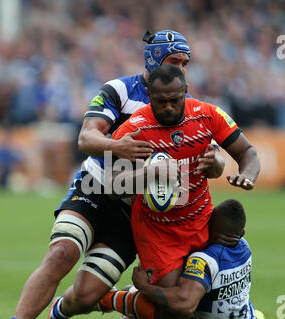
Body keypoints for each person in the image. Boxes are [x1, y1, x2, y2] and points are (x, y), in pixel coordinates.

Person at [0, 30, 225, 319]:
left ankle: (58, 312)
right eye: (175, 61)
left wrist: (216, 164)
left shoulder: (181, 102)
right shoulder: (118, 90)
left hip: (133, 210)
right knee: (62, 253)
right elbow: (86, 138)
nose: (182, 69)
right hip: (95, 187)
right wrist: (118, 145)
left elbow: (204, 152)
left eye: (185, 63)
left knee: (87, 296)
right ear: (153, 58)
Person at [110, 64, 260, 286]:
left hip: (201, 223)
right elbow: (113, 186)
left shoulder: (207, 115)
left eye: (175, 100)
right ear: (149, 95)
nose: (169, 107)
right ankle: (112, 300)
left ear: (185, 92)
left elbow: (248, 152)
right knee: (174, 308)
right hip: (157, 231)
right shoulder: (132, 130)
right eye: (162, 102)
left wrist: (246, 174)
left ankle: (129, 302)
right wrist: (151, 173)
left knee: (194, 301)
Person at [98, 199, 269, 319]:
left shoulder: (203, 259)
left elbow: (184, 304)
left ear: (208, 225)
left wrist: (145, 287)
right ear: (242, 233)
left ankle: (106, 299)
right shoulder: (244, 247)